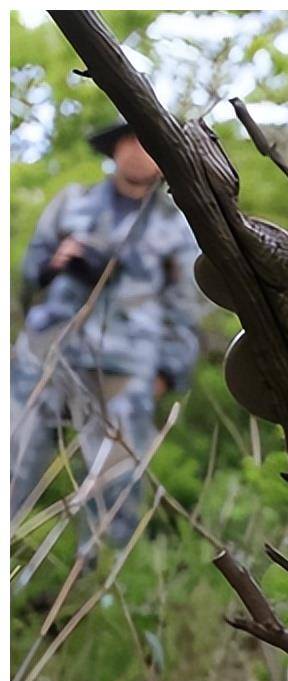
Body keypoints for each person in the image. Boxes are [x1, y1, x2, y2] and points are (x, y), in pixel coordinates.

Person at [10, 119, 203, 565]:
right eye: (130, 141)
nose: (139, 151)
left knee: (113, 476)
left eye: (150, 143)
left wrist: (167, 370)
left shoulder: (176, 225)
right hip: (48, 351)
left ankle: (96, 584)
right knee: (15, 456)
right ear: (114, 149)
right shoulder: (73, 202)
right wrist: (59, 264)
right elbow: (30, 269)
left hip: (127, 363)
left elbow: (185, 305)